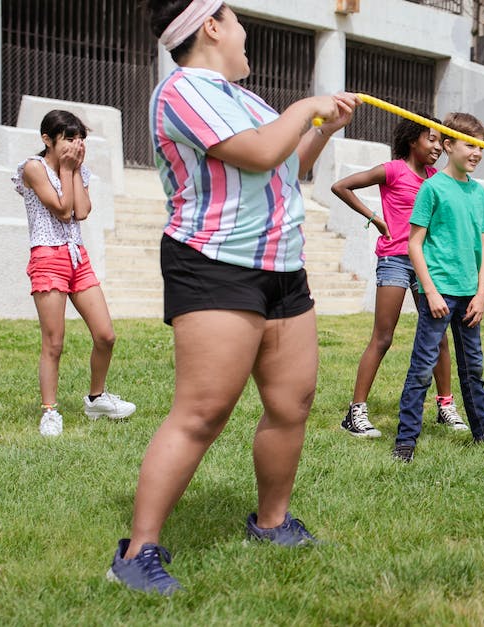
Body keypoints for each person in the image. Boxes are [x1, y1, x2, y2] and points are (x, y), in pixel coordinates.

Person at [107, 0, 359, 595]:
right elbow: (256, 153)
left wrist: (318, 129)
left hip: (281, 266)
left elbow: (282, 166)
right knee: (203, 411)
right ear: (212, 26)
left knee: (292, 402)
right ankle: (138, 552)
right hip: (214, 265)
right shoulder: (182, 91)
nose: (246, 33)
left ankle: (272, 523)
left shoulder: (244, 100)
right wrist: (305, 108)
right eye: (237, 19)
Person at [392, 112, 484, 463]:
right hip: (439, 292)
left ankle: (483, 431)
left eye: (481, 146)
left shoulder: (478, 192)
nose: (477, 152)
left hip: (469, 295)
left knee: (473, 367)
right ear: (448, 145)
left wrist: (482, 293)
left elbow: (483, 246)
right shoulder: (432, 188)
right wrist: (430, 291)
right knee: (422, 366)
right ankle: (405, 440)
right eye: (470, 145)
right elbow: (414, 244)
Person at [332, 116, 467, 439]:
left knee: (438, 336)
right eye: (431, 140)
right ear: (412, 140)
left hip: (428, 265)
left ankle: (446, 406)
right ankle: (356, 413)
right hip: (394, 259)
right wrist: (375, 219)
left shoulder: (437, 179)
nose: (437, 147)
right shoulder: (392, 170)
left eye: (440, 142)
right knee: (383, 336)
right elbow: (341, 186)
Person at [13, 109, 136, 437]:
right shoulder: (33, 168)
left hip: (76, 258)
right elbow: (62, 209)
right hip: (47, 256)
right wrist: (68, 170)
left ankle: (96, 398)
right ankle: (50, 412)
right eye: (69, 137)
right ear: (47, 140)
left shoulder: (77, 169)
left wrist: (75, 168)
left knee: (105, 335)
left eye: (80, 137)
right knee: (54, 342)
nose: (77, 144)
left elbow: (81, 211)